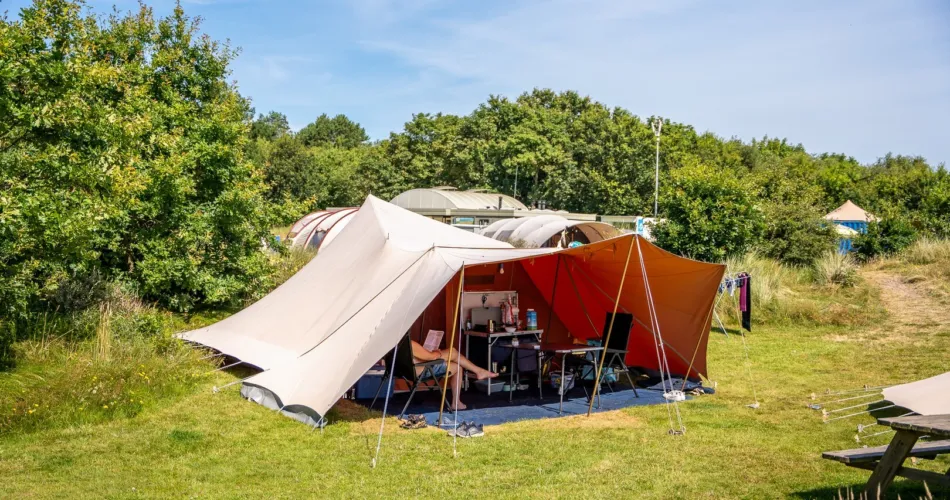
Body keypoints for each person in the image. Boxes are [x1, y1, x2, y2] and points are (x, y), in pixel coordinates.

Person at [410, 340, 497, 411]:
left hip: (410, 372)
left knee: (457, 365)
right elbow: (431, 357)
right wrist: (437, 352)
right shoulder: (411, 343)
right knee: (454, 352)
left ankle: (457, 402)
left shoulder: (398, 344)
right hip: (423, 370)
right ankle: (456, 402)